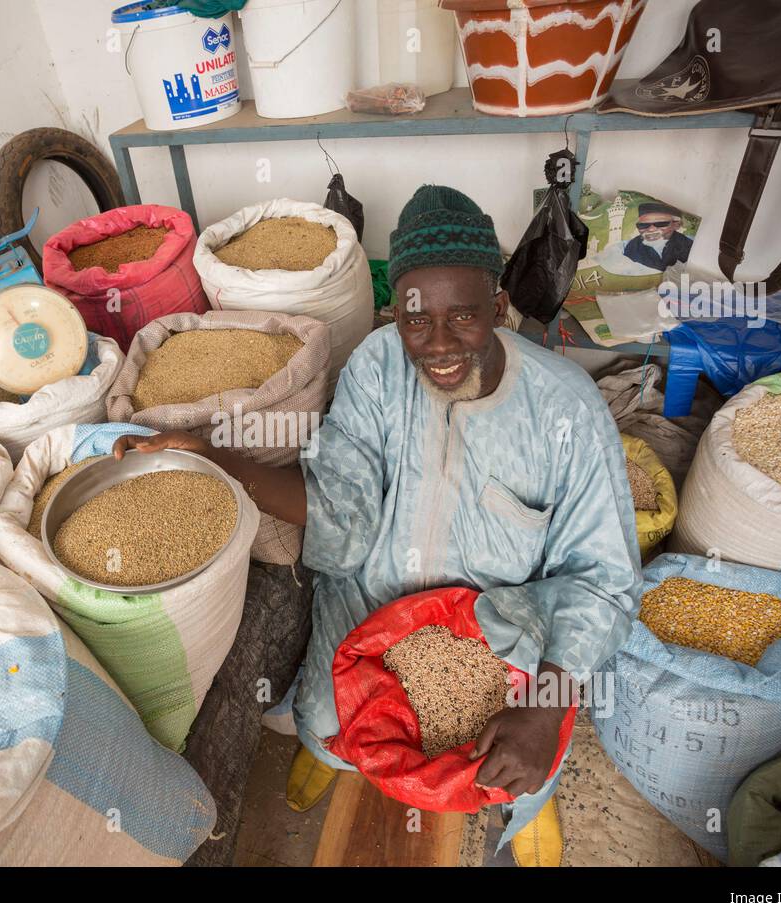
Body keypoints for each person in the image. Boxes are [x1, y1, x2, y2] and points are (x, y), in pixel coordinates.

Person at [115, 185, 642, 865]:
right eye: (418, 320)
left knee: (511, 752)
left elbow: (603, 583)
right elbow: (340, 508)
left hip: (501, 628)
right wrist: (214, 458)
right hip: (374, 608)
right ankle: (334, 757)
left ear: (499, 307)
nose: (440, 343)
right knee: (331, 722)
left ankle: (524, 805)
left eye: (465, 316)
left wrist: (543, 707)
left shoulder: (565, 410)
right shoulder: (373, 368)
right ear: (397, 313)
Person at [622, 201, 693, 270]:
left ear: (676, 225)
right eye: (643, 225)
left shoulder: (687, 245)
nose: (651, 229)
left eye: (661, 224)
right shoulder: (633, 246)